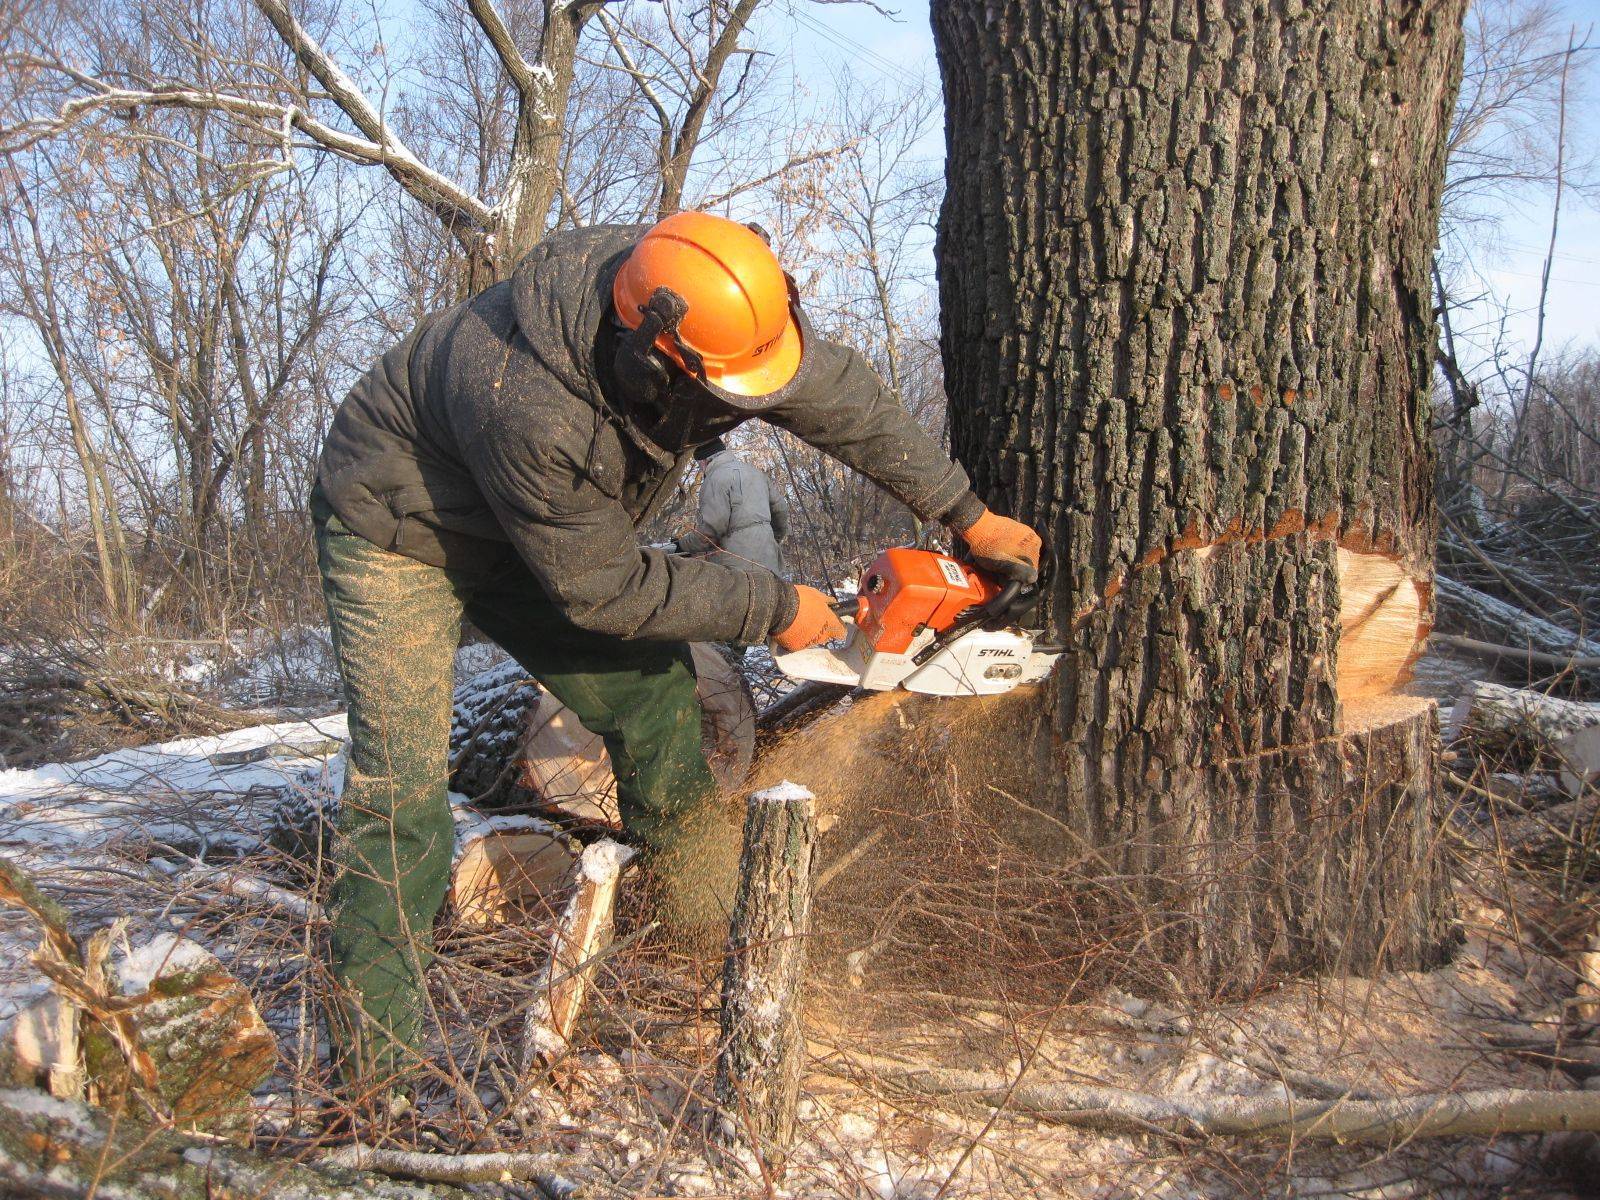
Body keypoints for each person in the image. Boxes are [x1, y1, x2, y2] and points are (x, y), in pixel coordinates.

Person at [311, 211, 1042, 1092]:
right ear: (651, 360)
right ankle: (366, 1084)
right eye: (725, 400)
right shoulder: (527, 400)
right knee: (400, 795)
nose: (739, 413)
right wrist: (771, 605)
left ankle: (706, 939)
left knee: (657, 703)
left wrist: (963, 512)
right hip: (399, 527)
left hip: (541, 525)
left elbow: (837, 392)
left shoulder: (706, 303)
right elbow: (603, 589)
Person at [674, 438, 789, 578]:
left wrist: (682, 545)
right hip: (768, 557)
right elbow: (781, 510)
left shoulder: (714, 479)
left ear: (703, 461)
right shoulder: (756, 473)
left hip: (736, 564)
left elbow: (711, 532)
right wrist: (772, 539)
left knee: (739, 599)